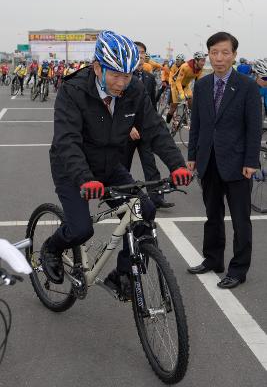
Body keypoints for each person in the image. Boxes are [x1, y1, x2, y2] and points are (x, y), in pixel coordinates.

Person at [43, 30, 192, 300]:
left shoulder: (133, 88)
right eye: (116, 74)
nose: (122, 82)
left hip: (110, 165)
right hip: (72, 168)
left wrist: (176, 165)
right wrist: (84, 178)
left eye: (128, 74)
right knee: (80, 229)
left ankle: (123, 273)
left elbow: (155, 129)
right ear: (98, 67)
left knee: (143, 210)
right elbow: (67, 141)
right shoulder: (73, 90)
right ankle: (51, 249)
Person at [187, 31, 262, 289]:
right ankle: (213, 259)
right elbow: (196, 124)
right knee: (212, 215)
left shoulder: (247, 86)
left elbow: (254, 128)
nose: (219, 58)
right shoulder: (203, 84)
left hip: (239, 163)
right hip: (209, 161)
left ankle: (238, 269)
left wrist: (251, 161)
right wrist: (192, 157)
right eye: (214, 52)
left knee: (241, 220)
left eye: (225, 53)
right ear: (208, 54)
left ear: (234, 55)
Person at [121, 40, 175, 209]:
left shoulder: (149, 78)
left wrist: (152, 126)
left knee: (150, 164)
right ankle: (122, 197)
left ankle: (157, 198)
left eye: (143, 52)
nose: (141, 55)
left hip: (144, 129)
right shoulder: (121, 77)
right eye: (137, 52)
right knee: (123, 165)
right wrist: (129, 127)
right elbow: (117, 107)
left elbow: (150, 104)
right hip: (126, 130)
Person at [166, 51, 206, 123]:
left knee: (191, 103)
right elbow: (178, 81)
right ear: (196, 60)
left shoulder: (200, 69)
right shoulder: (185, 66)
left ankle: (187, 118)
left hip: (186, 86)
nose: (203, 63)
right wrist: (181, 93)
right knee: (174, 107)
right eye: (202, 61)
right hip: (176, 85)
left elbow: (198, 83)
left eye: (204, 61)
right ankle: (167, 122)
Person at [166, 53, 186, 123]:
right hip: (174, 86)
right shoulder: (174, 66)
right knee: (173, 106)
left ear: (183, 61)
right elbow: (171, 76)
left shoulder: (185, 66)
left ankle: (185, 118)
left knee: (186, 101)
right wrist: (170, 83)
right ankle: (167, 121)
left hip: (183, 86)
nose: (177, 62)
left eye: (179, 60)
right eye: (176, 60)